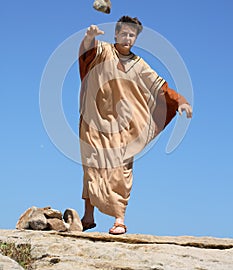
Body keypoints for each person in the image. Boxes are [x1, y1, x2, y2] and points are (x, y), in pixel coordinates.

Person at [78, 16, 192, 235]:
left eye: (132, 35)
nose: (127, 38)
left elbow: (160, 86)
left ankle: (119, 219)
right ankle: (88, 216)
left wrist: (180, 101)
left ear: (135, 39)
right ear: (116, 35)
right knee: (92, 167)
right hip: (94, 120)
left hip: (122, 125)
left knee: (121, 169)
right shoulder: (102, 51)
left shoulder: (139, 65)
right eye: (124, 34)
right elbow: (86, 55)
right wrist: (89, 37)